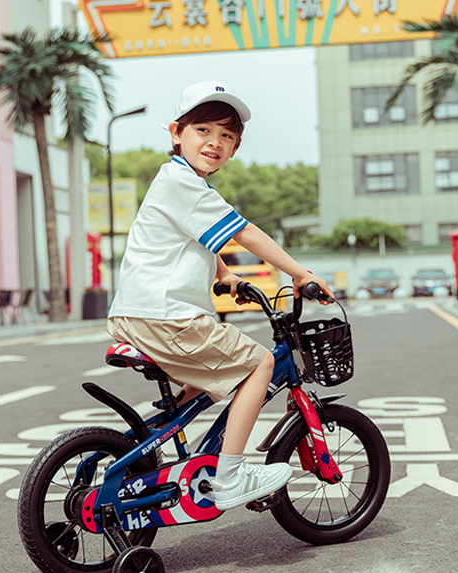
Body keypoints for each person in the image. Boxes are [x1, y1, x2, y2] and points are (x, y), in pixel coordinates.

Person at [107, 79, 334, 510]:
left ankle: (150, 450)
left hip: (140, 314)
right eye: (203, 130)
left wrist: (225, 274)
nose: (215, 142)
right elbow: (244, 231)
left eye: (226, 136)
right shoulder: (183, 183)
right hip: (167, 317)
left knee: (211, 382)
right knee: (260, 363)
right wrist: (302, 273)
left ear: (235, 149)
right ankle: (229, 475)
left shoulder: (185, 183)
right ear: (176, 132)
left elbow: (197, 239)